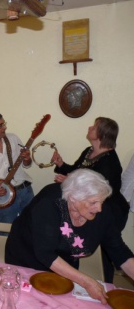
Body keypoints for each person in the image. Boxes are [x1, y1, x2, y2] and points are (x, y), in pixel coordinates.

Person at [5, 169, 134, 305]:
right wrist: (87, 282)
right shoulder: (49, 203)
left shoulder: (102, 213)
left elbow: (119, 251)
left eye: (101, 201)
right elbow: (45, 253)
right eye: (93, 202)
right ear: (73, 198)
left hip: (60, 268)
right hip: (26, 262)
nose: (99, 208)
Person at [51, 117, 129, 282]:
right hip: (89, 207)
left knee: (105, 253)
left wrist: (68, 181)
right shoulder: (89, 151)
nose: (90, 127)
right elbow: (75, 171)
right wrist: (61, 164)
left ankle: (105, 284)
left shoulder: (110, 162)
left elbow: (95, 192)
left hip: (108, 211)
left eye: (94, 126)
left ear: (102, 134)